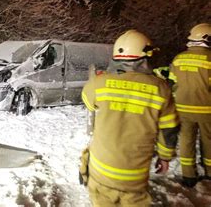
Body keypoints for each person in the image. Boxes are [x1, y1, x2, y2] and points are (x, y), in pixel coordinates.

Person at [80, 30, 179, 206]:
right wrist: (165, 157)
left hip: (100, 170)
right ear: (146, 57)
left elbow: (88, 103)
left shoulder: (99, 83)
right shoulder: (161, 89)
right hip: (134, 176)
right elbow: (169, 128)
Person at [169, 23, 211, 187]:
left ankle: (189, 175)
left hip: (182, 109)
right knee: (209, 140)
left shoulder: (179, 58)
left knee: (186, 140)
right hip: (207, 109)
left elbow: (172, 82)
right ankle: (209, 171)